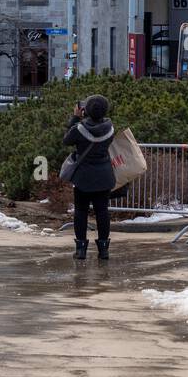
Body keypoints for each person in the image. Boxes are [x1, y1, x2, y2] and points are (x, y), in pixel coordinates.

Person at [63, 94, 116, 261]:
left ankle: (81, 250)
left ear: (86, 110)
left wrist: (75, 118)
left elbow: (66, 140)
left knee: (81, 211)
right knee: (102, 212)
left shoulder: (79, 129)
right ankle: (103, 250)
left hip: (83, 177)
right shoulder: (110, 128)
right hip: (104, 176)